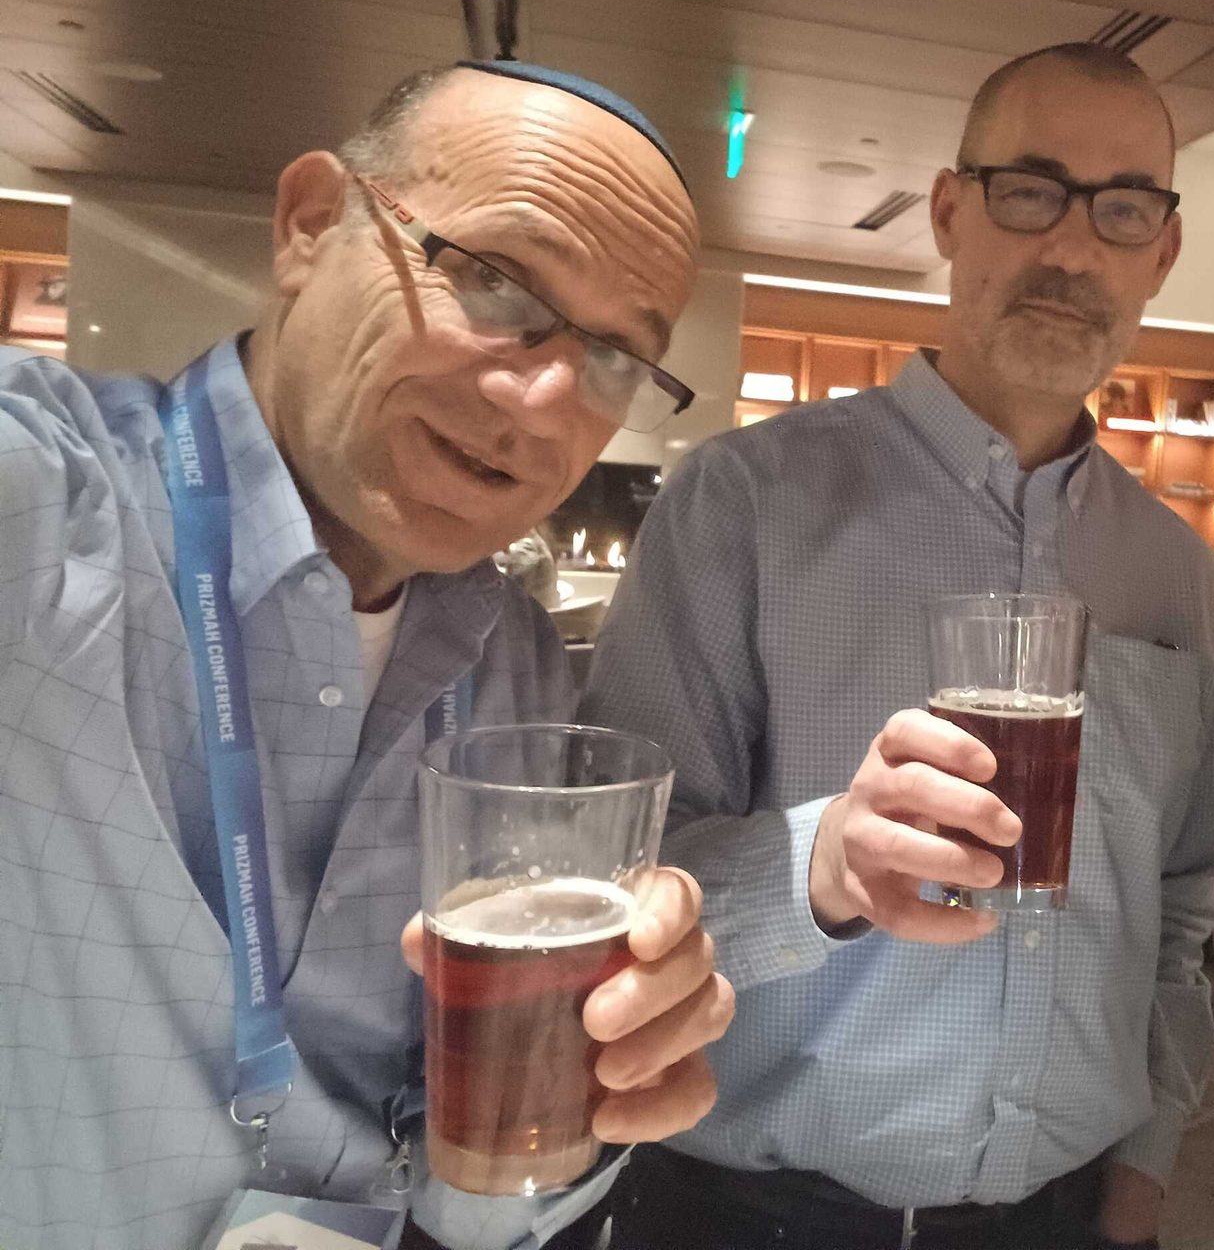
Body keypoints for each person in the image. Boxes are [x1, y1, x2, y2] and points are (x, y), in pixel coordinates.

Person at [0, 60, 734, 1250]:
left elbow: (496, 1203)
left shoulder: (521, 672)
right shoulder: (50, 515)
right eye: (495, 283)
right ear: (309, 224)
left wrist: (600, 1082)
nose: (546, 398)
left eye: (613, 359)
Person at [583, 42, 1214, 1250]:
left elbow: (1183, 908)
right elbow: (621, 880)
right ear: (949, 210)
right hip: (756, 1217)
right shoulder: (745, 505)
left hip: (1066, 1219)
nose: (1073, 248)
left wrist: (1142, 1177)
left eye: (1124, 208)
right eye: (1029, 191)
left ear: (1164, 251)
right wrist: (823, 858)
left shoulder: (1176, 574)